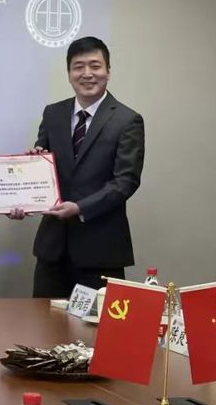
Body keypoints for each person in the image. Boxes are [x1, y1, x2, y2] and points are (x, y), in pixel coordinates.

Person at [21, 36, 145, 297]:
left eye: (95, 66)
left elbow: (126, 181)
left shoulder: (127, 120)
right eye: (78, 67)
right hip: (52, 250)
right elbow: (43, 162)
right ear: (69, 73)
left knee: (95, 323)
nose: (87, 74)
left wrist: (80, 208)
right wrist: (33, 162)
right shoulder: (53, 113)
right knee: (42, 320)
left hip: (101, 251)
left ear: (108, 71)